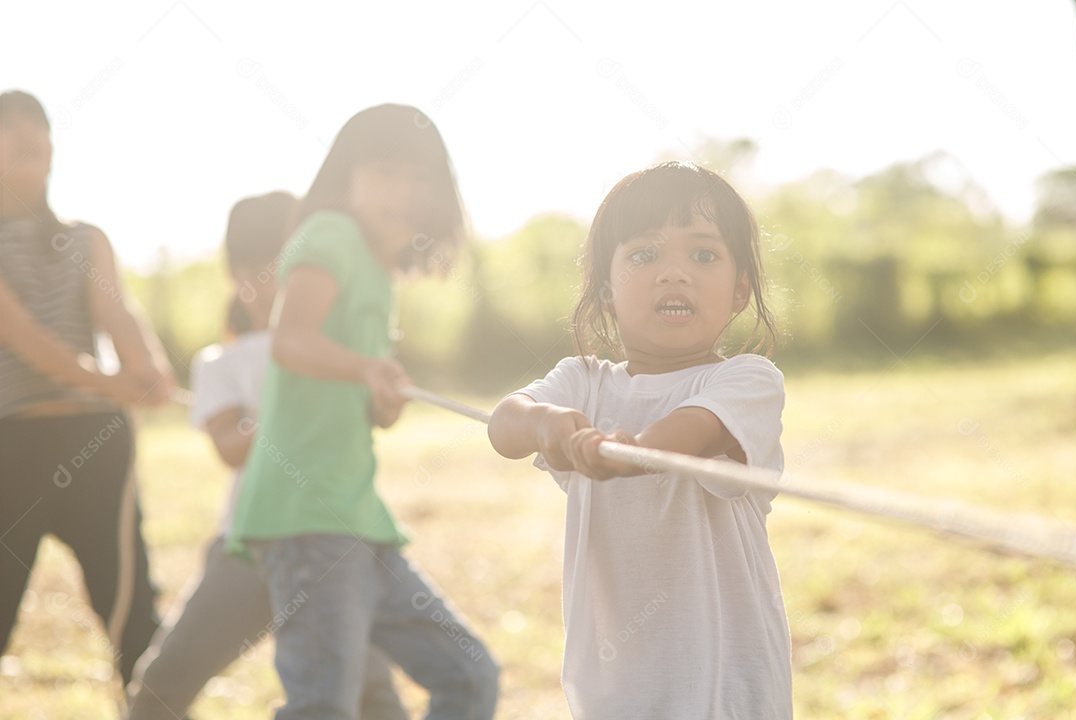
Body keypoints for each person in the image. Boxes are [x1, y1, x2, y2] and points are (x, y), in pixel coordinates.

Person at [487, 161, 791, 719]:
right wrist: (544, 424)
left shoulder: (746, 379)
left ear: (740, 289)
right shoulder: (583, 380)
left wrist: (632, 453)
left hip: (724, 683)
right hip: (617, 687)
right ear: (606, 287)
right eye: (644, 255)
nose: (673, 274)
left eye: (703, 255)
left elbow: (693, 431)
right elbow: (504, 423)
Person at [227, 104, 499, 720]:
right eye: (383, 172)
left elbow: (364, 402)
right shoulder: (330, 236)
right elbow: (290, 339)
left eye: (416, 177)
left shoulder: (378, 273)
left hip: (358, 517)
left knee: (469, 676)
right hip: (309, 518)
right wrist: (364, 368)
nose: (401, 191)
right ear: (345, 180)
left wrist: (380, 397)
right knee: (323, 705)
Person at [126, 192, 408, 719]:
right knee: (163, 683)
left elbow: (375, 415)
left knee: (373, 697)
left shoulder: (336, 352)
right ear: (242, 274)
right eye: (283, 267)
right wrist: (281, 415)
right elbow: (231, 449)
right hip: (250, 547)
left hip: (329, 546)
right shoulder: (222, 364)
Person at [0, 89, 173, 688]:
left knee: (130, 610)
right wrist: (113, 382)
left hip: (96, 443)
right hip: (11, 449)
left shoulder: (84, 239)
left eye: (36, 126)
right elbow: (24, 337)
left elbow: (118, 314)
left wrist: (148, 367)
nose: (25, 135)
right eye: (9, 127)